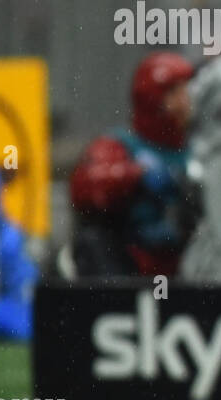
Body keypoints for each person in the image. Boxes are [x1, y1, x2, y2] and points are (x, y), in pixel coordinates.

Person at [69, 53, 194, 277]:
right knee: (94, 241)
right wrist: (135, 177)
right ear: (151, 99)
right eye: (175, 92)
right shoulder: (120, 145)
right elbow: (85, 188)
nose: (185, 101)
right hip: (132, 262)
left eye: (186, 91)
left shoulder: (199, 148)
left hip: (187, 261)